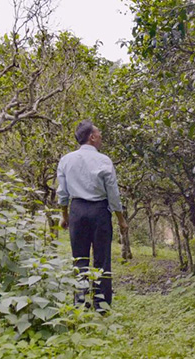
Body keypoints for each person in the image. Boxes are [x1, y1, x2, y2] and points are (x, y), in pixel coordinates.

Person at [56, 120, 128, 312]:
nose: (101, 136)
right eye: (99, 133)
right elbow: (113, 193)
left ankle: (79, 303)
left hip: (77, 210)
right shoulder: (104, 160)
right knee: (102, 259)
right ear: (92, 137)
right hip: (99, 211)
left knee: (79, 259)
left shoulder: (66, 160)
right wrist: (120, 218)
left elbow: (62, 192)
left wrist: (65, 216)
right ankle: (102, 306)